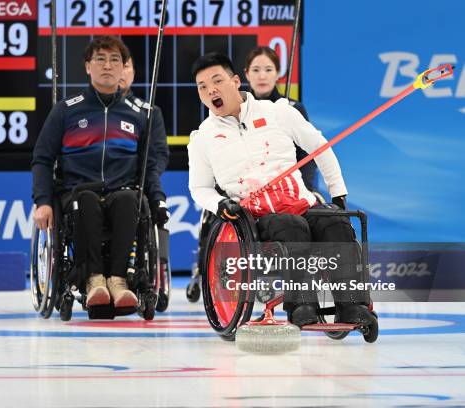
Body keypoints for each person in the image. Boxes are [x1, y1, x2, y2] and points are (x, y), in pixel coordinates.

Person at [188, 52, 373, 327]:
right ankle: (302, 304)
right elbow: (200, 187)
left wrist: (338, 194)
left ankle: (352, 305)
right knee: (291, 226)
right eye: (202, 87)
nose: (210, 90)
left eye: (217, 80)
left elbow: (320, 147)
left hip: (302, 203)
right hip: (256, 217)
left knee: (335, 222)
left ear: (236, 81)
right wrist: (220, 204)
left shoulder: (279, 112)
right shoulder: (203, 137)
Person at [31, 36, 167, 309]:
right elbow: (42, 159)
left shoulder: (141, 114)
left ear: (124, 67)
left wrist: (158, 199)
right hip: (77, 192)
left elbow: (150, 166)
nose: (107, 65)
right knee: (87, 201)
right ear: (87, 66)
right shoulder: (66, 111)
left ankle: (118, 280)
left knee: (130, 200)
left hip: (122, 190)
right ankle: (94, 280)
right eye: (100, 59)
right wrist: (43, 202)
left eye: (115, 60)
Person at [244, 46, 318, 193]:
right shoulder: (238, 110)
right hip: (248, 192)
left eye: (268, 70)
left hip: (289, 191)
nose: (262, 76)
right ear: (247, 74)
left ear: (278, 73)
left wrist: (303, 190)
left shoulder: (293, 108)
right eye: (256, 70)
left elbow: (308, 154)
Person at [119, 55, 170, 225]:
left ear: (133, 72)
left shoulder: (150, 113)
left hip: (136, 186)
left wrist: (146, 178)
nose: (120, 71)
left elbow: (160, 155)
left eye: (126, 66)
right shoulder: (83, 110)